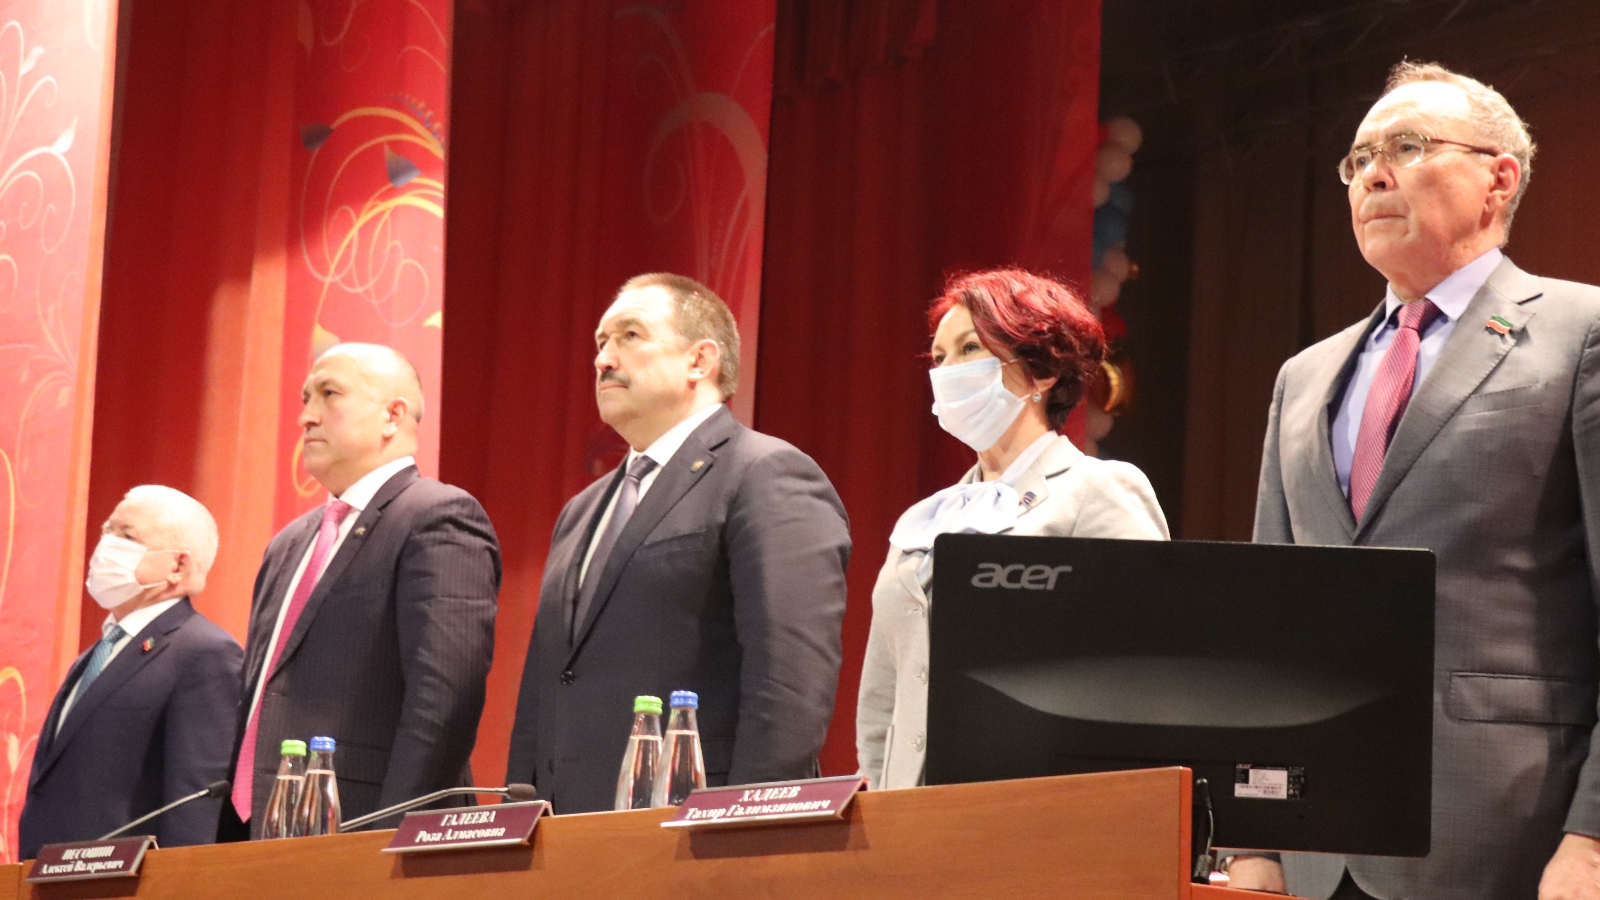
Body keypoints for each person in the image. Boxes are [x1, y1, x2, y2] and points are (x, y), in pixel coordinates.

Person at [1244, 61, 1600, 900]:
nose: (1373, 174)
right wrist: (1254, 839)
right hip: (1318, 851)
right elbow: (1269, 627)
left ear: (1498, 179)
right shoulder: (1304, 376)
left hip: (1511, 839)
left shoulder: (1580, 334)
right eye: (1359, 158)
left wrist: (1592, 839)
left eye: (1407, 146)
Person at [506, 273, 850, 814]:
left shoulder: (765, 473)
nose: (603, 360)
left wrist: (746, 821)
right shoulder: (581, 511)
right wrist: (522, 817)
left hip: (694, 823)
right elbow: (547, 689)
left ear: (699, 360)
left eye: (630, 335)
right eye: (600, 342)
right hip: (568, 830)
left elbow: (789, 681)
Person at [854, 269, 1169, 791]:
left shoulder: (1099, 490)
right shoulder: (924, 519)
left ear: (1041, 371)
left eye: (969, 348)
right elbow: (883, 699)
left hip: (1032, 810)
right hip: (909, 816)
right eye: (939, 357)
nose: (947, 372)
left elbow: (1140, 674)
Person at [222, 343, 500, 838]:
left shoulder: (437, 516)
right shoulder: (288, 544)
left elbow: (444, 699)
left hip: (366, 828)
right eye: (305, 398)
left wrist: (390, 834)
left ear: (392, 415)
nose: (307, 417)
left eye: (329, 394)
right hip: (259, 831)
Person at [19, 486, 240, 858]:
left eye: (126, 536)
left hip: (123, 879)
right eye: (107, 530)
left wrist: (180, 882)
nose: (106, 544)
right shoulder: (96, 654)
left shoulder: (204, 653)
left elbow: (194, 804)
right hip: (49, 874)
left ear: (177, 566)